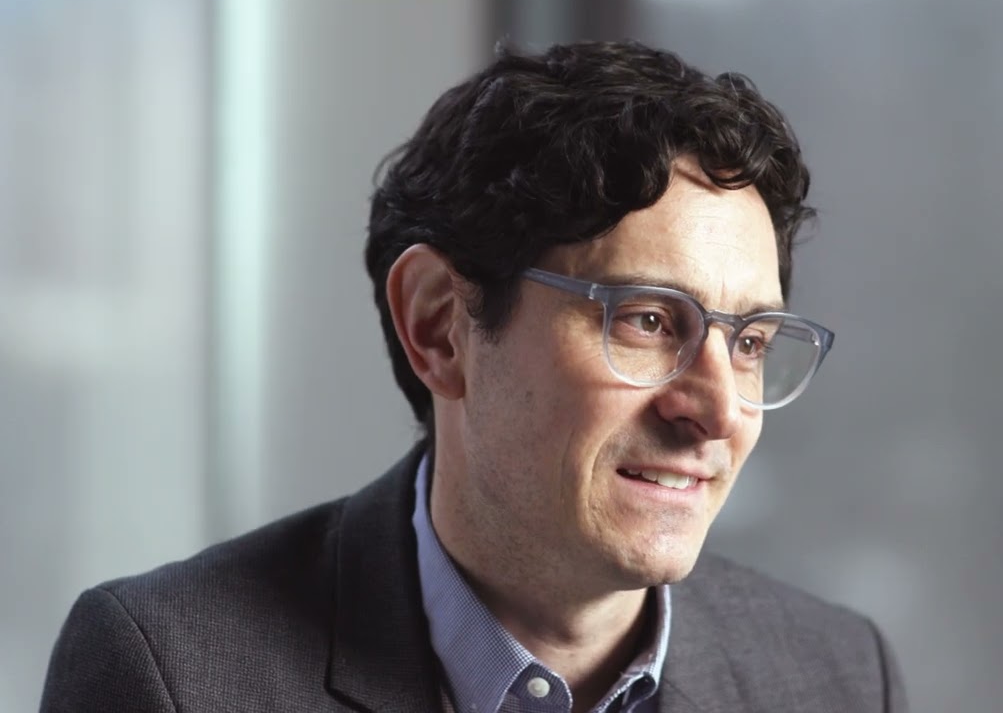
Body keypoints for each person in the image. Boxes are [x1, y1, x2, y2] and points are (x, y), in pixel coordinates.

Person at [40, 40, 907, 712]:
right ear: (440, 327)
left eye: (750, 341)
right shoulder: (170, 674)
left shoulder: (838, 677)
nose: (718, 410)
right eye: (647, 321)